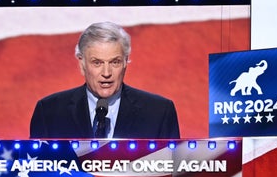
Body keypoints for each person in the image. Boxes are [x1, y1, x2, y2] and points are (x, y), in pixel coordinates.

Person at [29, 21, 180, 139]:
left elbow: (174, 175)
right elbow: (38, 174)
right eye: (97, 63)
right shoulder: (49, 112)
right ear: (82, 64)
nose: (106, 73)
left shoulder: (159, 112)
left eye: (115, 62)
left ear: (125, 63)